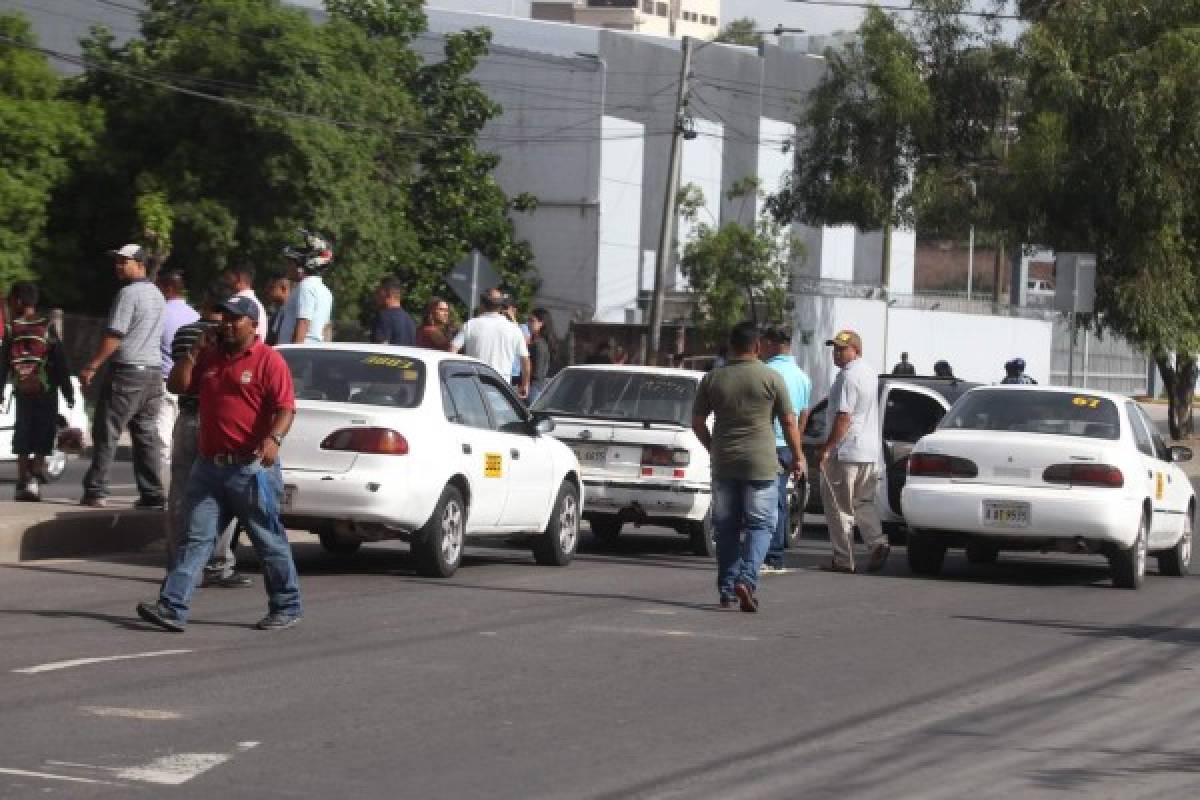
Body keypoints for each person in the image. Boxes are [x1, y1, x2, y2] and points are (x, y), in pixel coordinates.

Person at [137, 295, 302, 632]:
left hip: (251, 469)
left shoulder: (269, 361)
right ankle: (172, 607)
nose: (226, 324)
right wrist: (193, 354)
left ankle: (287, 605)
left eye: (235, 319)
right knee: (194, 538)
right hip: (209, 466)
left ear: (253, 326)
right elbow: (177, 385)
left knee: (267, 540)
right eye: (223, 318)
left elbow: (286, 408)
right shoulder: (210, 357)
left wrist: (274, 439)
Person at [691, 322, 805, 613]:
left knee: (726, 528)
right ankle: (747, 579)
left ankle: (728, 590)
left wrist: (713, 447)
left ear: (731, 346)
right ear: (757, 347)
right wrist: (798, 456)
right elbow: (789, 422)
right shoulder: (772, 377)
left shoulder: (713, 379)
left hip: (724, 463)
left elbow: (697, 422)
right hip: (762, 465)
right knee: (761, 524)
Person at [164, 283, 251, 587]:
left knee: (180, 493)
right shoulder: (229, 339)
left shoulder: (184, 334)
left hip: (187, 419)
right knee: (222, 494)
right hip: (217, 422)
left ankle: (178, 561)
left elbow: (177, 375)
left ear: (203, 302)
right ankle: (217, 563)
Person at [80, 244, 166, 509]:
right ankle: (152, 493)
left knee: (107, 431)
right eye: (116, 261)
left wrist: (92, 365)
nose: (118, 266)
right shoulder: (158, 294)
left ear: (140, 264)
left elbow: (115, 335)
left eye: (123, 262)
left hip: (128, 372)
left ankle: (96, 490)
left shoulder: (128, 294)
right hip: (153, 374)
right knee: (146, 435)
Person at [818, 329, 889, 574]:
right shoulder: (869, 373)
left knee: (839, 506)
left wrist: (827, 448)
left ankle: (843, 558)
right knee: (862, 502)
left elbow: (843, 417)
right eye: (834, 349)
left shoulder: (848, 377)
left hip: (846, 451)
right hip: (868, 451)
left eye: (842, 349)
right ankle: (877, 541)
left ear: (856, 350)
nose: (836, 353)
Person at [0, 281, 75, 502]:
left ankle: (22, 481)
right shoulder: (47, 326)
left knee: (23, 434)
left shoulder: (12, 329)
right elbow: (60, 362)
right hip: (46, 389)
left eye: (12, 300)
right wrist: (68, 392)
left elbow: (3, 363)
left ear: (18, 301)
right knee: (43, 434)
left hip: (22, 391)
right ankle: (34, 479)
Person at [760, 325, 812, 575]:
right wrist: (797, 448)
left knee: (759, 500)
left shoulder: (766, 372)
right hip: (787, 446)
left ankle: (766, 553)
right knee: (778, 499)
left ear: (771, 344)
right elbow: (803, 417)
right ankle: (773, 554)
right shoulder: (802, 377)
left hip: (764, 443)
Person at [156, 269, 199, 472]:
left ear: (168, 288)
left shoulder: (160, 313)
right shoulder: (194, 315)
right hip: (189, 385)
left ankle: (160, 486)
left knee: (162, 438)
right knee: (179, 439)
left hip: (164, 382)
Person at [452, 288, 530, 397]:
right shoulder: (514, 329)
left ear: (482, 305)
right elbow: (525, 360)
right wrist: (525, 384)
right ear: (501, 306)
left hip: (473, 383)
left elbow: (452, 350)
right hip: (500, 385)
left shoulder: (471, 325)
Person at [276, 230, 334, 345]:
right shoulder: (325, 291)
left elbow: (303, 323)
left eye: (290, 263)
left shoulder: (306, 286)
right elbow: (325, 330)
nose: (287, 267)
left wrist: (293, 354)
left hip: (297, 356)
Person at [221, 264, 268, 342]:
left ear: (238, 278)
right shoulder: (255, 303)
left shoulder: (249, 305)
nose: (224, 282)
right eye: (225, 319)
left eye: (227, 278)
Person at [370, 276, 417, 346]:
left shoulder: (383, 317)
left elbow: (380, 350)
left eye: (378, 292)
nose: (375, 296)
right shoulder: (409, 320)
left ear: (388, 293)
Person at [527, 308, 556, 405]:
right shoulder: (538, 342)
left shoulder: (538, 344)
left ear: (541, 323)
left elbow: (538, 373)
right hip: (535, 387)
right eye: (528, 320)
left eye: (532, 321)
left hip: (534, 389)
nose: (528, 324)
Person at [264, 274, 290, 347]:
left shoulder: (291, 314)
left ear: (283, 289)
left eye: (271, 287)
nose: (266, 290)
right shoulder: (277, 313)